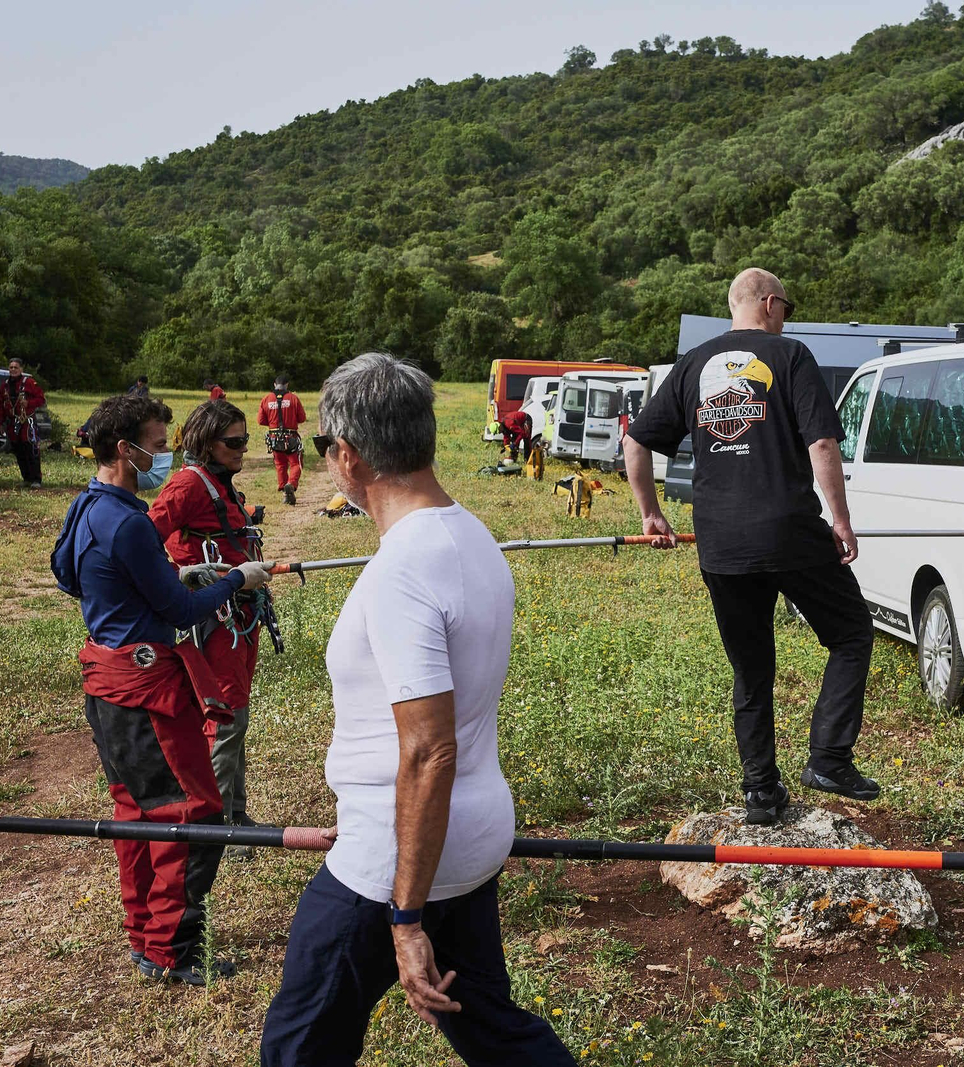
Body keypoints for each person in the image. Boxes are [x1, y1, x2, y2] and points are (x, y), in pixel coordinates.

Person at [260, 353, 573, 1066]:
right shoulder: (470, 535)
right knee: (489, 1022)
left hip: (394, 858)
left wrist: (404, 918)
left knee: (299, 1042)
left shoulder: (403, 568)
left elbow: (428, 749)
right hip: (466, 834)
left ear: (348, 456)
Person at [623, 267, 876, 826]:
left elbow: (636, 441)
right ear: (767, 303)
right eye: (786, 304)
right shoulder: (791, 357)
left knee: (752, 668)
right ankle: (829, 759)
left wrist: (650, 514)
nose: (788, 314)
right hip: (789, 529)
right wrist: (841, 518)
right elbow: (822, 441)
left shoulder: (693, 364)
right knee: (852, 632)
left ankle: (761, 793)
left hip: (722, 540)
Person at [50, 393, 273, 985]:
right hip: (146, 685)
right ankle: (173, 949)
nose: (163, 454)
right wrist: (233, 578)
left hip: (102, 675)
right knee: (188, 812)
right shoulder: (127, 521)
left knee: (135, 812)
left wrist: (147, 578)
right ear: (125, 450)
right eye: (155, 441)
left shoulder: (85, 507)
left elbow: (67, 574)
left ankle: (145, 939)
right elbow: (178, 610)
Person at [148, 399, 269, 848]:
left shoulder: (217, 483)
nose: (241, 449)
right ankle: (214, 828)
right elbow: (141, 540)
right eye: (232, 441)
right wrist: (181, 576)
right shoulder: (187, 486)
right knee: (225, 717)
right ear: (205, 442)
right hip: (214, 619)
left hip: (240, 614)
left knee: (236, 714)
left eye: (244, 440)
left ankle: (235, 813)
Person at [0, 357, 47, 488]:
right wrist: (0, 423)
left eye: (15, 367)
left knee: (31, 449)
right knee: (18, 451)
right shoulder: (5, 385)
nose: (13, 370)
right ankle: (27, 478)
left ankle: (36, 479)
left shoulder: (28, 382)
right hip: (12, 423)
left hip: (27, 423)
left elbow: (41, 398)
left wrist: (29, 403)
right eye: (11, 367)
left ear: (21, 369)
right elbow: (0, 405)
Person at [257, 373, 307, 505]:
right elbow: (302, 418)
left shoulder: (266, 399)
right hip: (291, 437)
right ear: (287, 385)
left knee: (280, 465)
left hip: (274, 437)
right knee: (296, 463)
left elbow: (260, 421)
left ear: (274, 384)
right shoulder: (293, 398)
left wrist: (274, 422)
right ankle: (291, 484)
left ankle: (284, 489)